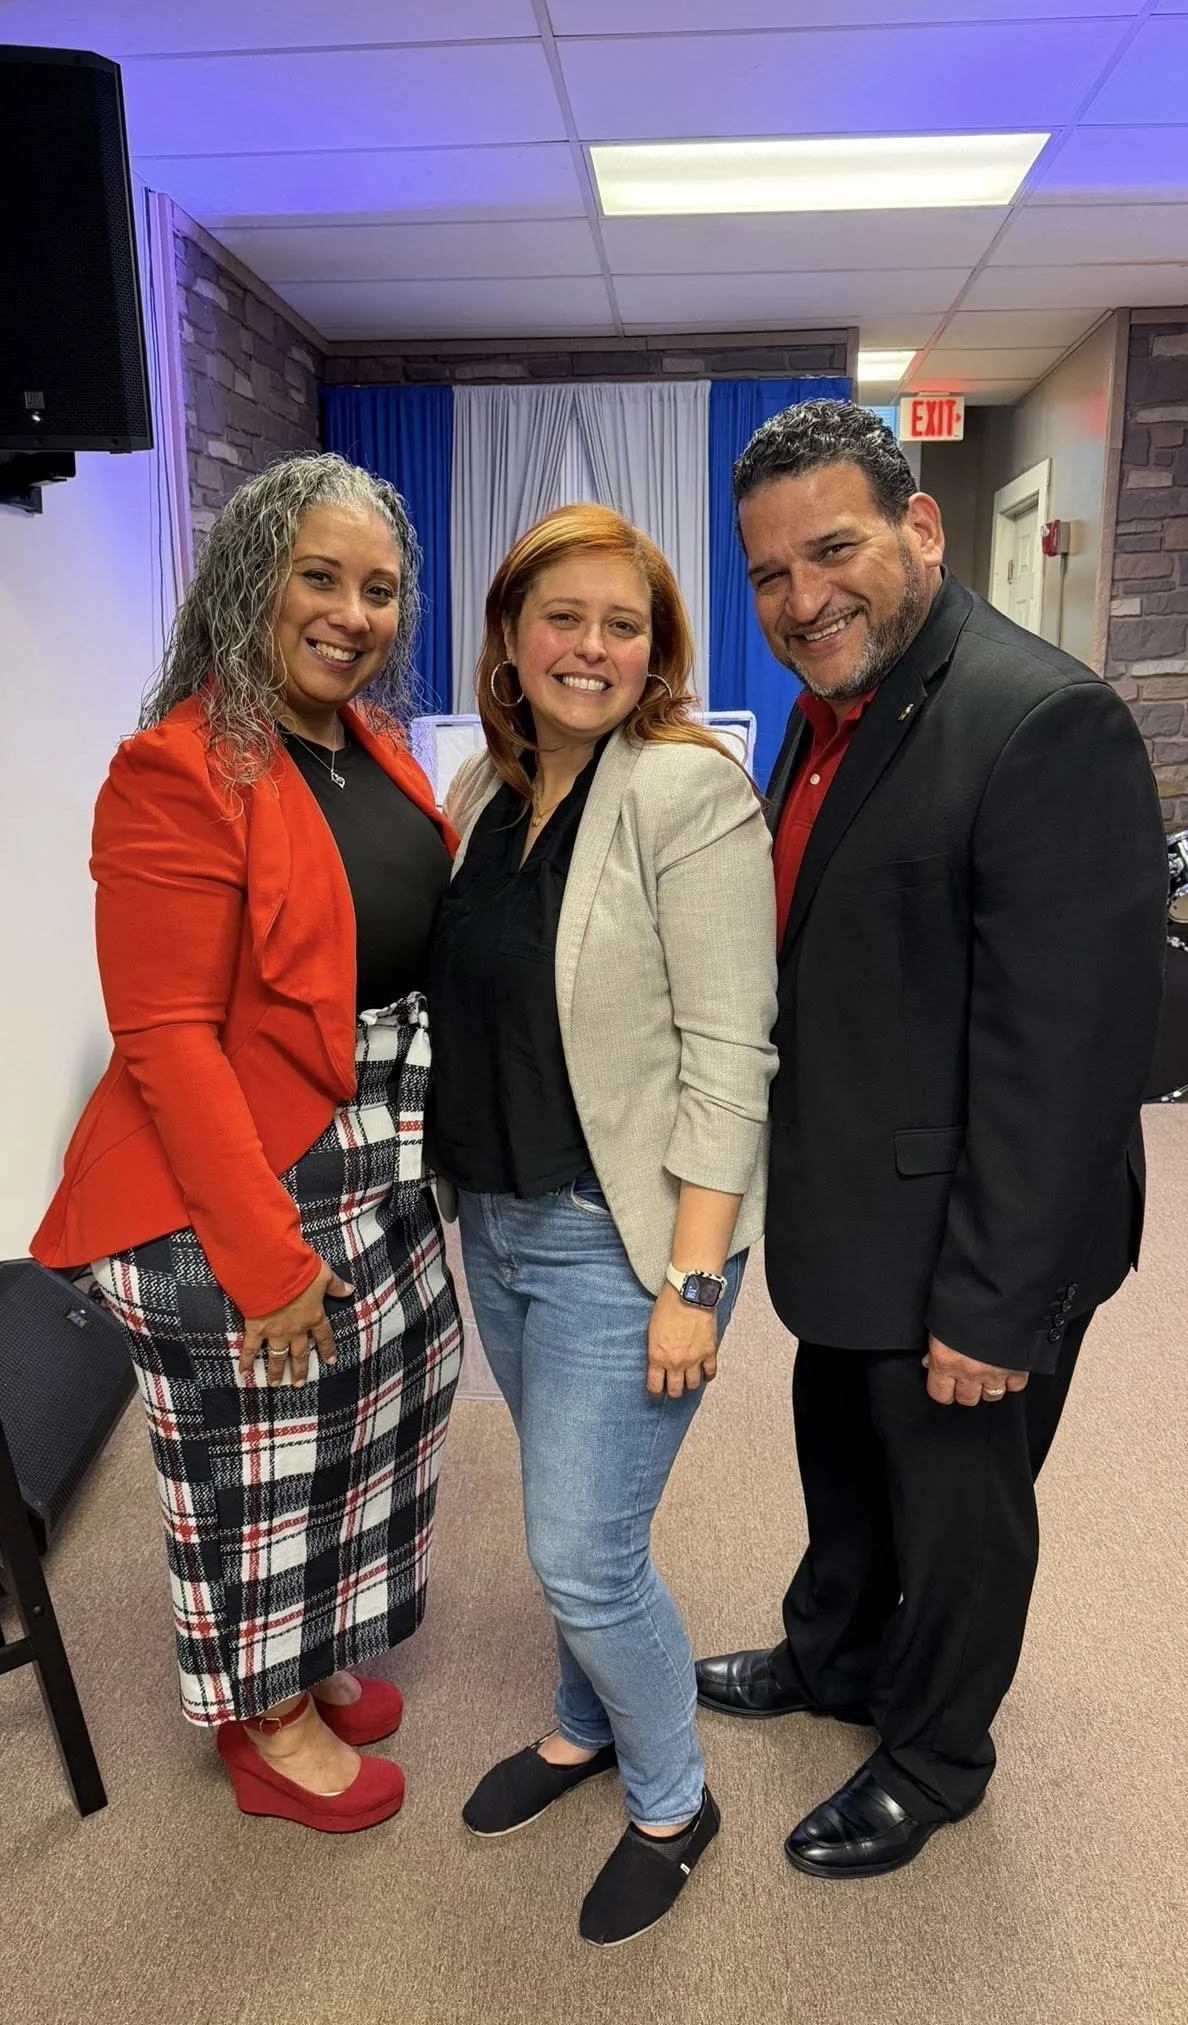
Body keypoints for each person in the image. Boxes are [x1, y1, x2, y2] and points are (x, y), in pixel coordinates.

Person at [696, 401, 1168, 1877]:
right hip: (858, 1210)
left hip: (979, 1230)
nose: (801, 599)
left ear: (921, 528)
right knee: (843, 1460)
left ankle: (936, 1754)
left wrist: (990, 1308)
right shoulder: (831, 711)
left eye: (832, 550)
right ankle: (834, 1656)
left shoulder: (1040, 720)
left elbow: (1067, 1061)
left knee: (960, 1514)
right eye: (768, 574)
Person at [32, 453, 462, 1834]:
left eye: (379, 588)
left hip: (367, 1150)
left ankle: (317, 1655)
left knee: (363, 1422)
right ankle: (263, 1727)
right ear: (250, 585)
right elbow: (163, 1040)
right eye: (319, 579)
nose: (352, 612)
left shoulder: (374, 746)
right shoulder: (175, 772)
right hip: (232, 1183)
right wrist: (264, 1258)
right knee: (263, 1458)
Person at [430, 504, 777, 1946]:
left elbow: (731, 1052)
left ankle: (673, 1800)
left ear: (658, 652)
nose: (591, 646)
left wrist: (695, 1280)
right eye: (561, 617)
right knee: (565, 1512)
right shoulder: (474, 794)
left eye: (621, 624)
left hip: (623, 1239)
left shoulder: (688, 794)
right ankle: (580, 1725)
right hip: (497, 1224)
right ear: (510, 636)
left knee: (584, 1549)